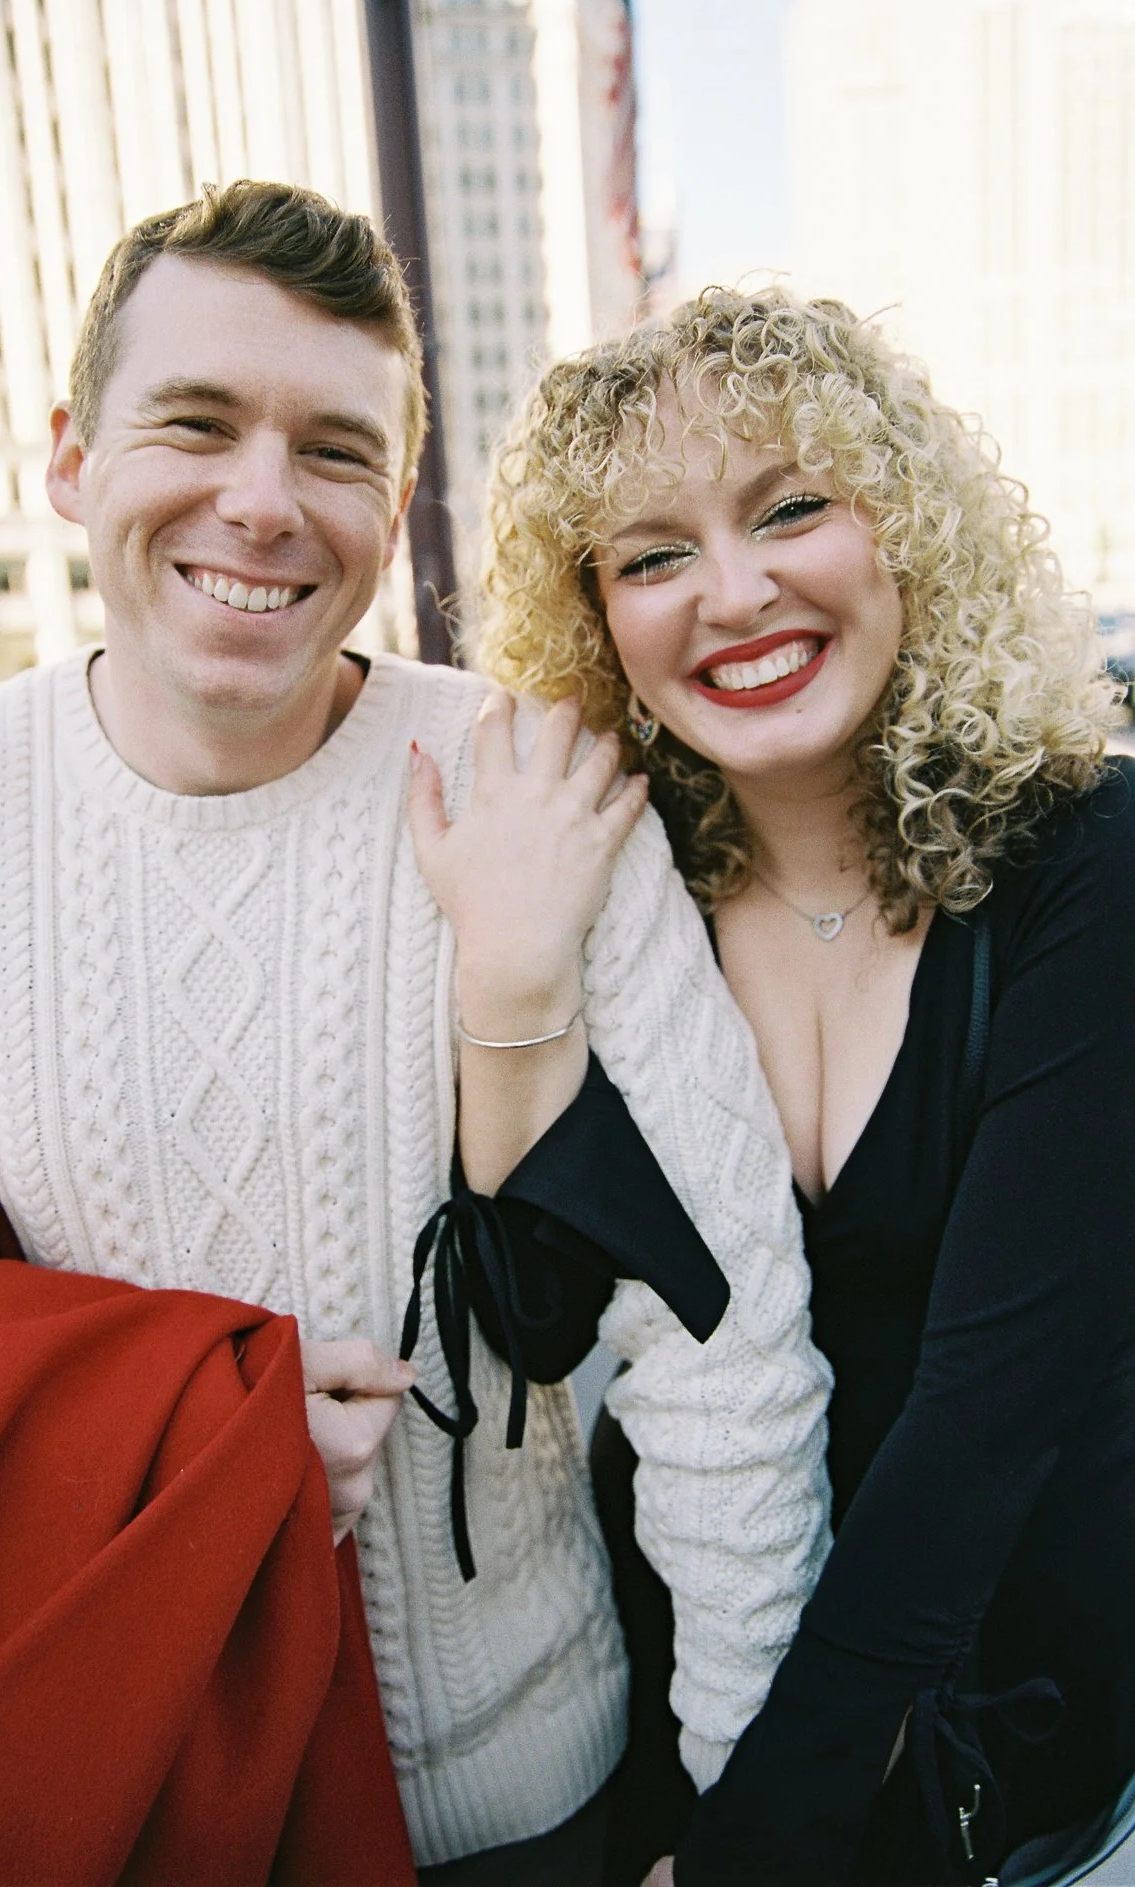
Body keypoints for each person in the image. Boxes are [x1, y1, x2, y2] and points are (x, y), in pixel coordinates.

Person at [0, 187, 832, 1881]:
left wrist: (753, 1828)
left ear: (394, 510)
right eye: (195, 422)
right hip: (124, 1784)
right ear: (70, 460)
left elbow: (721, 1350)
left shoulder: (534, 780)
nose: (260, 500)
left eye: (333, 452)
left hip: (523, 1803)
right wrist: (179, 1433)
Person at [412, 284, 1135, 1885]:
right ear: (593, 614)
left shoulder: (1088, 862)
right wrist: (516, 976)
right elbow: (536, 1323)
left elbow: (987, 1423)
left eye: (788, 509)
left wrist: (760, 1849)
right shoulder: (618, 894)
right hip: (690, 1711)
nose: (730, 595)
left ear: (906, 532)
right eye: (651, 554)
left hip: (1007, 1763)